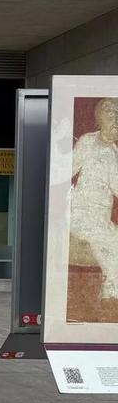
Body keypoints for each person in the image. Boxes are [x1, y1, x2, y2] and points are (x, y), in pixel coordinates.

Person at [70, 98, 118, 299]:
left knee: (110, 236)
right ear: (99, 117)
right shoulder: (88, 141)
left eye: (116, 112)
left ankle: (111, 288)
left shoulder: (115, 151)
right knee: (108, 238)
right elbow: (67, 171)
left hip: (101, 215)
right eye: (108, 111)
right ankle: (111, 288)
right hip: (80, 211)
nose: (113, 115)